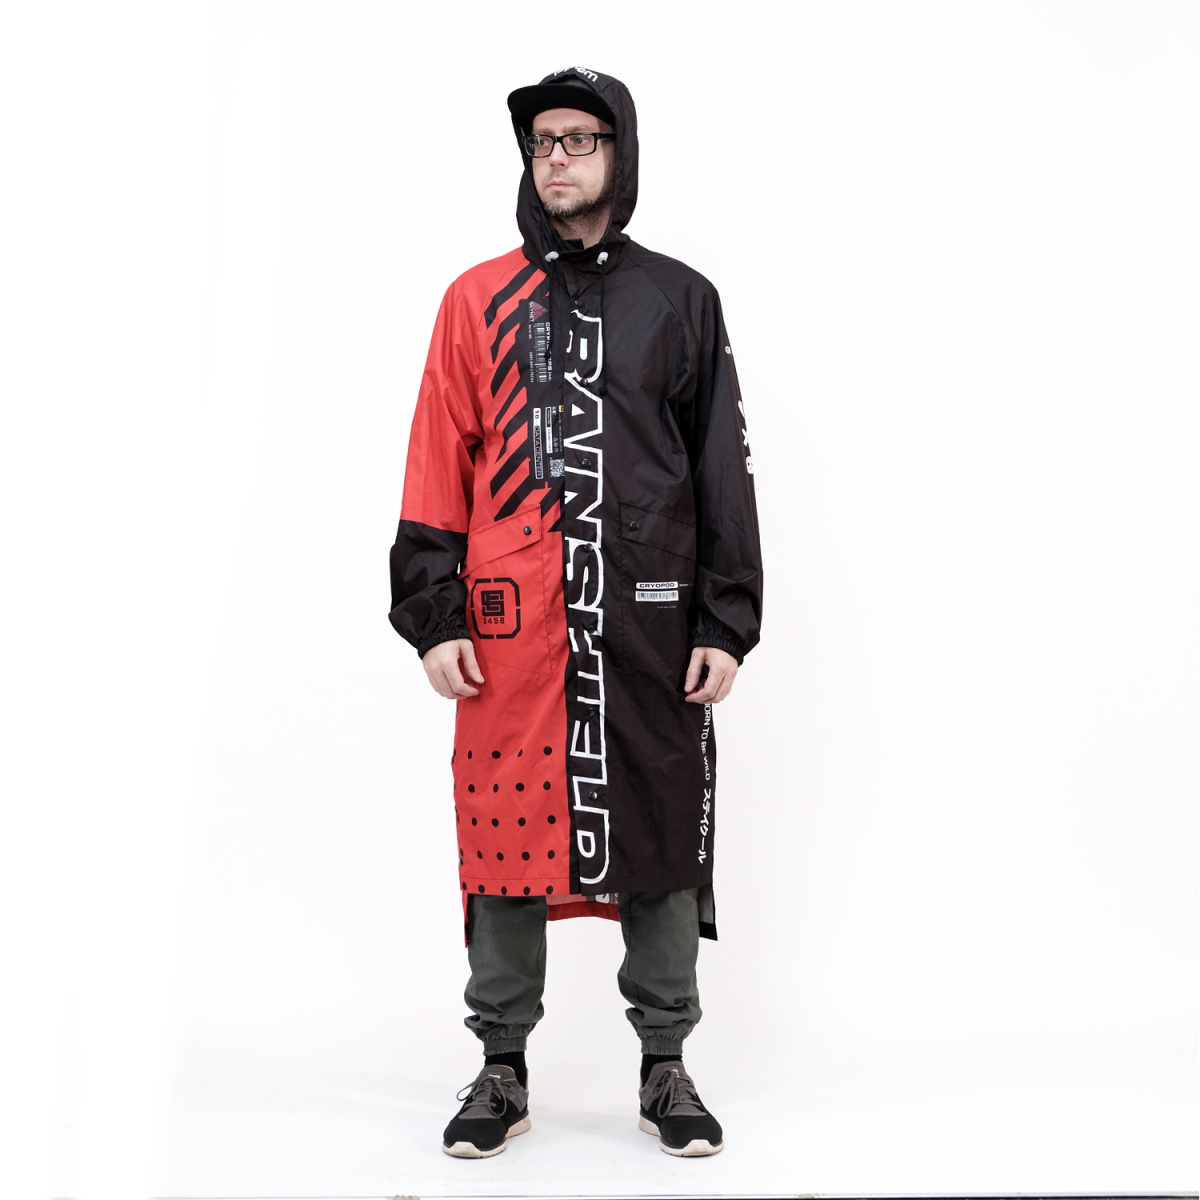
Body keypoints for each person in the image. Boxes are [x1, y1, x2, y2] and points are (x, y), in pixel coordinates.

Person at [387, 67, 763, 1159]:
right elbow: (436, 454)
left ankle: (665, 1063)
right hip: (511, 626)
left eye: (579, 139)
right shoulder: (475, 300)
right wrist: (434, 609)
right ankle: (501, 1064)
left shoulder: (681, 299)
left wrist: (724, 619)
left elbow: (721, 466)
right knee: (504, 830)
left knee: (657, 826)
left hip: (650, 618)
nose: (556, 157)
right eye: (542, 141)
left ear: (619, 154)